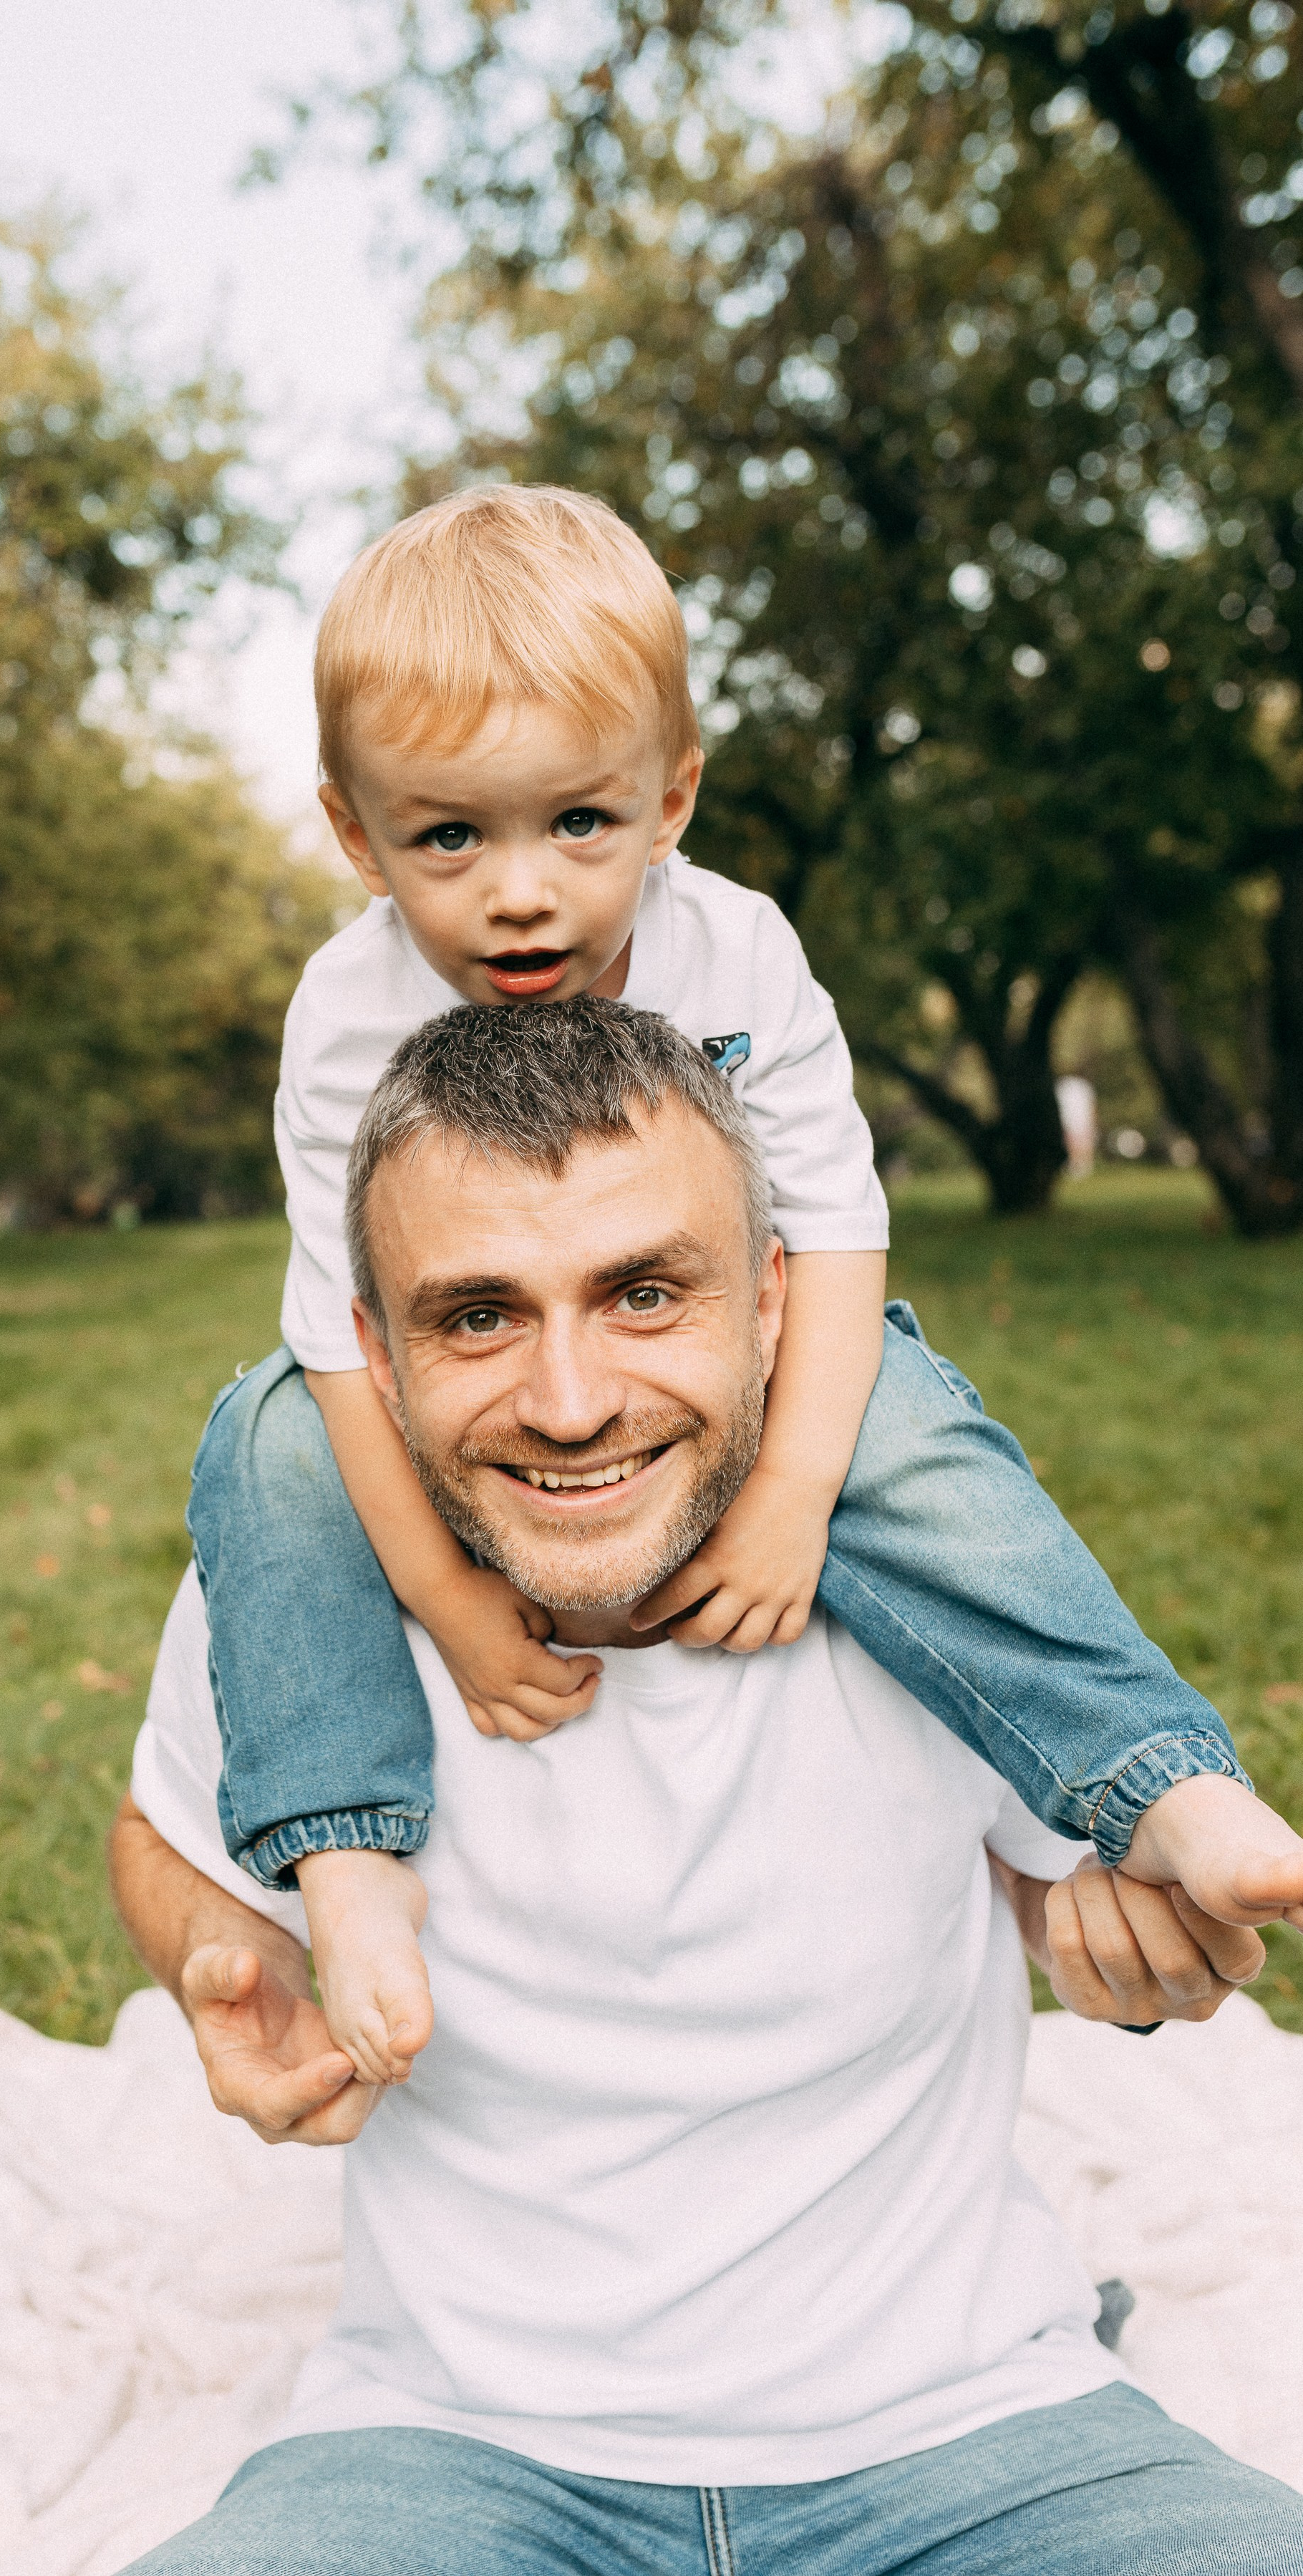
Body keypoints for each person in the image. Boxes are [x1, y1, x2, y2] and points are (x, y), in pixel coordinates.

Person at [110, 998, 1303, 2576]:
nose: (567, 1398)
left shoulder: (929, 1576)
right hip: (452, 2449)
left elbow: (1064, 1884)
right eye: (475, 1316)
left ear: (770, 1303)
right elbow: (163, 1838)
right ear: (371, 1352)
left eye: (642, 1292)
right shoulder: (300, 1602)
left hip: (978, 2426)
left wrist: (1123, 1942)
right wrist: (230, 1966)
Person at [188, 484, 1251, 2086]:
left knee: (910, 1412)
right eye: (448, 837)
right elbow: (342, 1351)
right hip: (447, 1358)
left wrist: (790, 1498)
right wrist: (459, 1607)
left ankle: (1151, 1769)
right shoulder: (346, 1016)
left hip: (720, 1338)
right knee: (261, 1437)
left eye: (578, 822)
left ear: (670, 795)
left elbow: (827, 1232)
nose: (521, 889)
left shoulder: (737, 952)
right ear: (356, 832)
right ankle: (342, 1855)